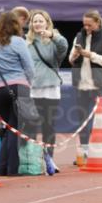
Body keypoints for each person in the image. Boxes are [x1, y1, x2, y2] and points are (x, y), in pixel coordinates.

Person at [0, 11, 35, 176]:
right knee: (15, 129)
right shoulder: (19, 42)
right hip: (18, 87)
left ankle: (1, 167)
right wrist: (29, 83)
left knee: (6, 128)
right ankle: (12, 168)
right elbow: (29, 67)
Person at [69, 10, 102, 158]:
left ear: (98, 23)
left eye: (90, 25)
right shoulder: (79, 36)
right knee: (82, 120)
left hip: (100, 86)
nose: (86, 28)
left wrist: (92, 56)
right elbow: (70, 60)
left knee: (101, 120)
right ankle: (84, 151)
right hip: (81, 85)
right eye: (85, 24)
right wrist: (75, 54)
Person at [26, 9, 68, 167]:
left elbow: (64, 47)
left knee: (48, 125)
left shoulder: (54, 40)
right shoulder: (27, 42)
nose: (37, 24)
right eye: (35, 21)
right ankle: (31, 158)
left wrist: (52, 35)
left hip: (50, 88)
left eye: (40, 21)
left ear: (47, 23)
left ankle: (49, 159)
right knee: (30, 124)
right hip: (32, 88)